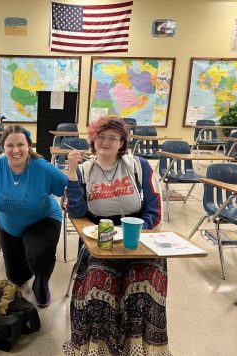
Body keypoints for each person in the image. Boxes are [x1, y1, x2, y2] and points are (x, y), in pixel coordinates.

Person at [62, 116, 168, 356]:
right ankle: (98, 347)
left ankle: (137, 346)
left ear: (122, 143)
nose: (106, 142)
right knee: (100, 278)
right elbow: (77, 212)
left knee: (147, 277)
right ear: (93, 139)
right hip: (99, 236)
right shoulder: (82, 170)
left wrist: (140, 232)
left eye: (113, 138)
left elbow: (155, 208)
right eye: (101, 136)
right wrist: (70, 173)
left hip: (136, 233)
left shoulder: (139, 166)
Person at [0, 125, 68, 307]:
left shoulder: (43, 168)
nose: (15, 150)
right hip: (10, 225)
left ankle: (41, 284)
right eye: (10, 145)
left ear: (28, 146)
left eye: (20, 145)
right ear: (3, 147)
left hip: (42, 219)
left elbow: (68, 187)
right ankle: (26, 256)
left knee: (38, 257)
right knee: (16, 277)